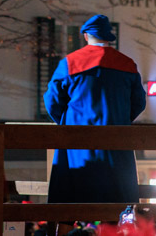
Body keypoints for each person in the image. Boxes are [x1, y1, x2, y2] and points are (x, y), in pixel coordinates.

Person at [44, 14, 145, 219]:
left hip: (77, 146)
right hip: (117, 147)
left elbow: (52, 101)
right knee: (118, 204)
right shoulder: (127, 64)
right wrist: (120, 120)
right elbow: (139, 103)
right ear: (108, 37)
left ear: (86, 35)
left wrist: (66, 124)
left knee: (66, 202)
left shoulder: (70, 63)